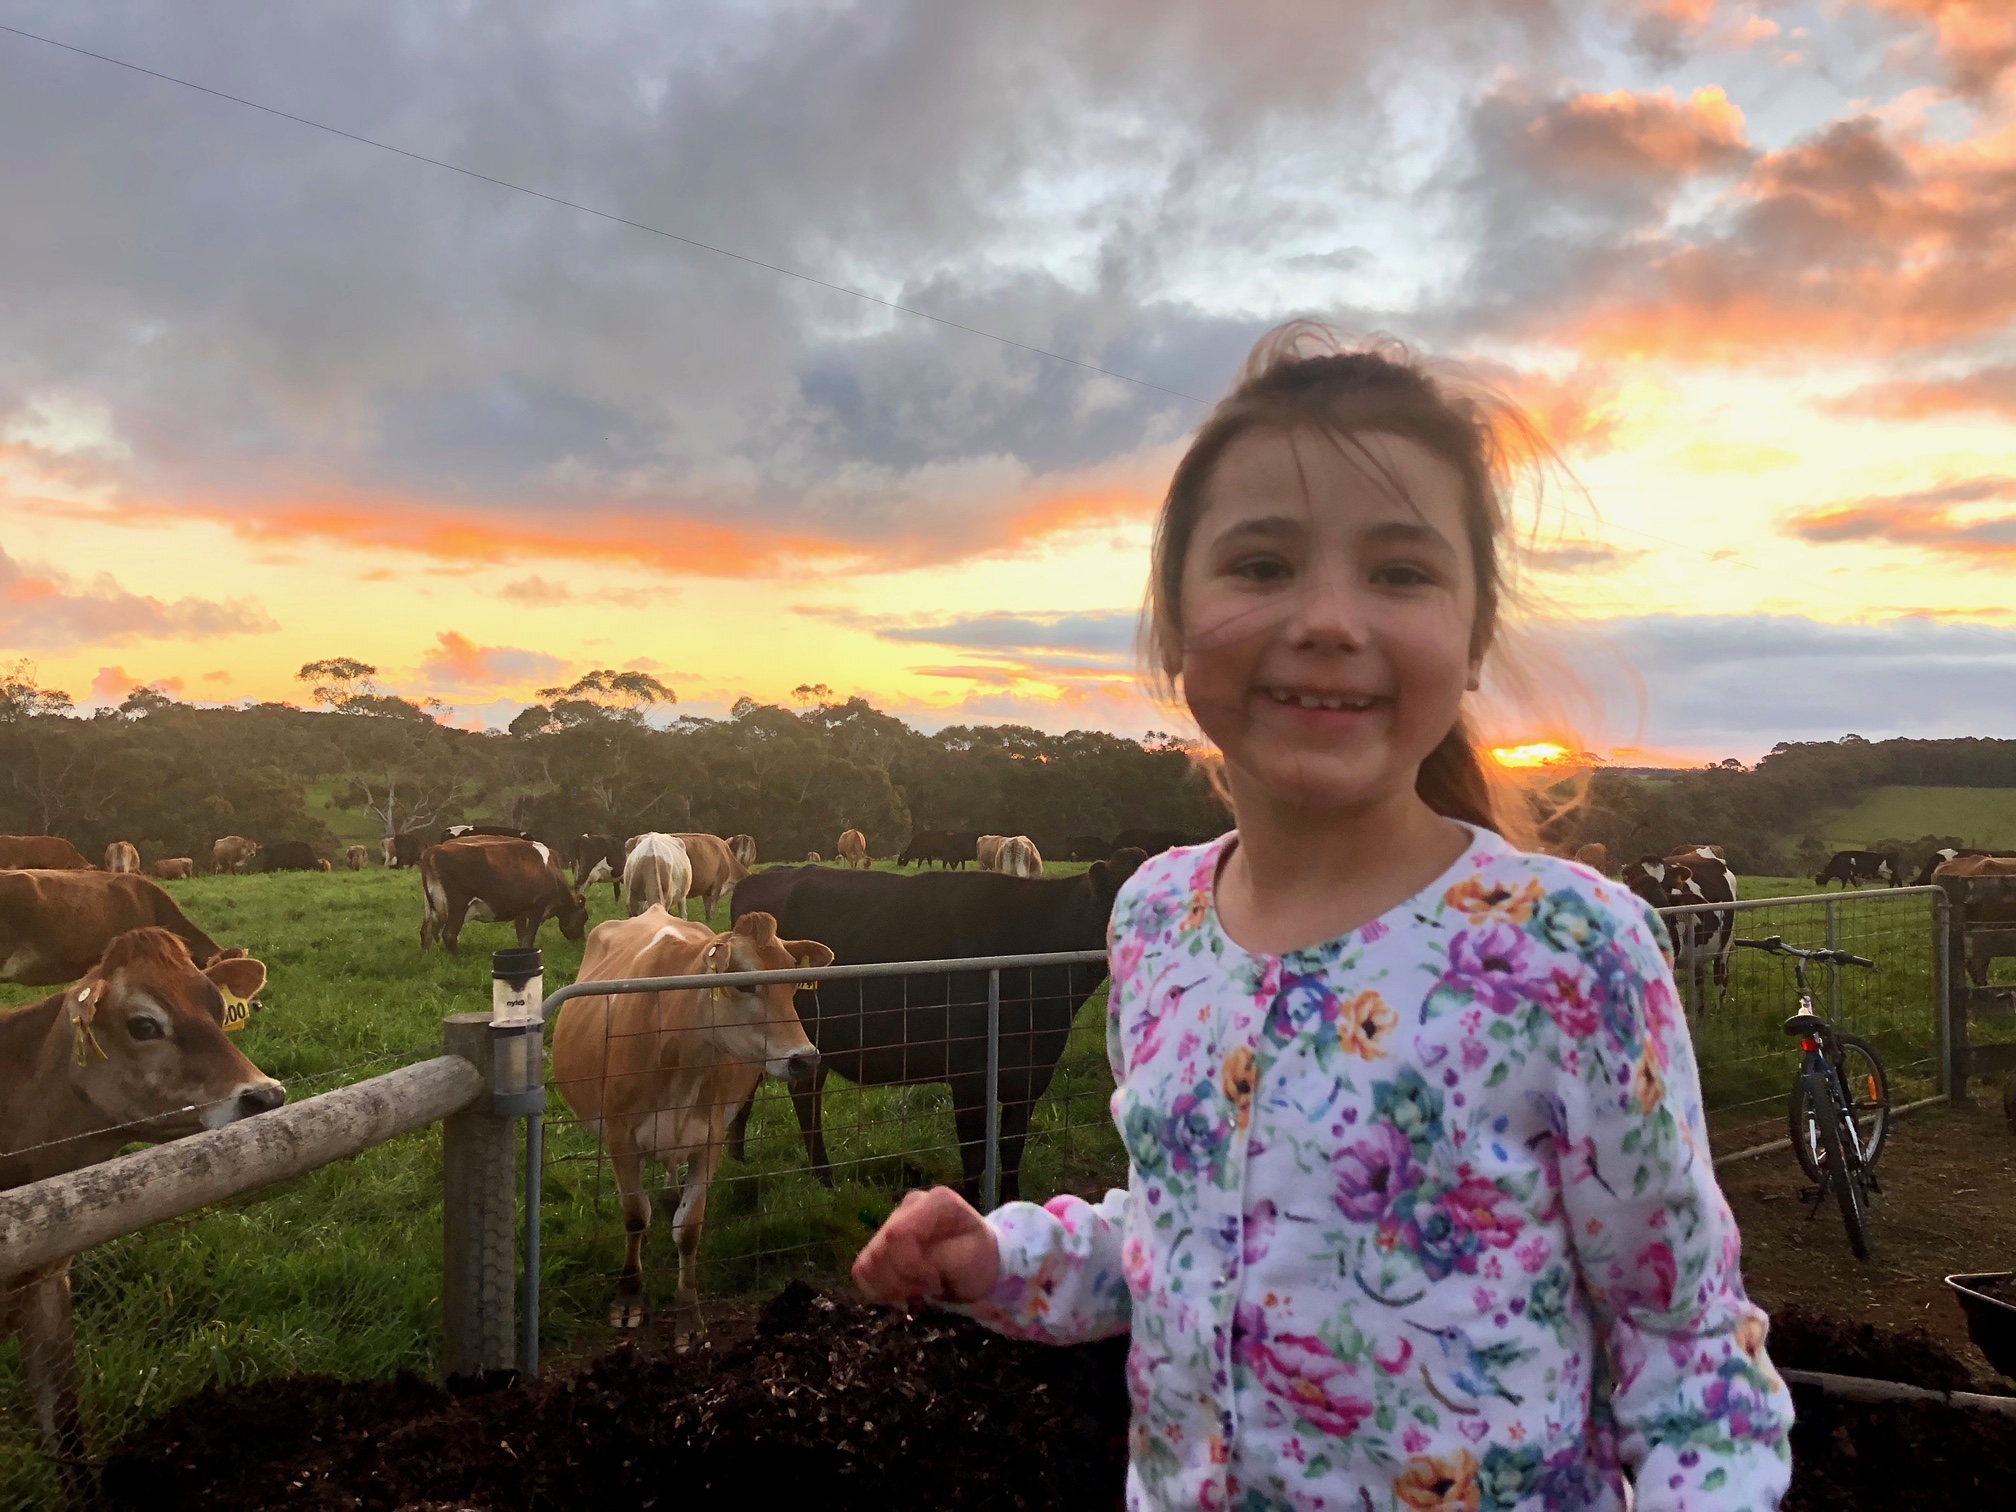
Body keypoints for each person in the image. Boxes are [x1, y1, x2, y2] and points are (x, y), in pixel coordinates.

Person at [852, 323, 1793, 1511]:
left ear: (1472, 638)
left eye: (1400, 571)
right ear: (1172, 624)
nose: (1331, 618)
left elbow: (1690, 1351)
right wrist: (1004, 1258)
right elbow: (1182, 1235)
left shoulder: (1571, 948)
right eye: (1261, 566)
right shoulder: (1153, 921)